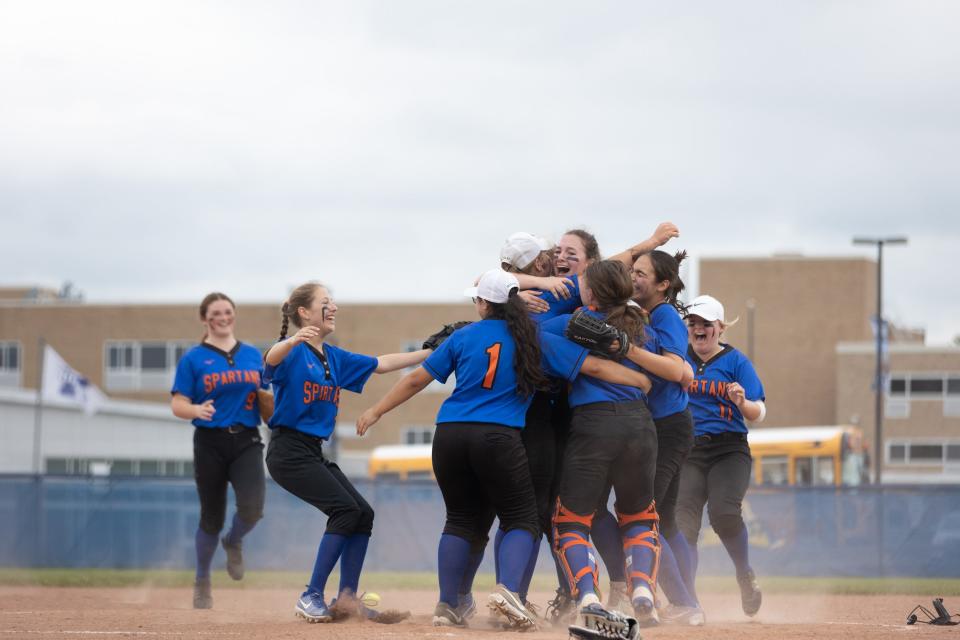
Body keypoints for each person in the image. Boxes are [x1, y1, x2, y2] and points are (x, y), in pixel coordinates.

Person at [355, 269, 653, 630]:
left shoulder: (464, 336)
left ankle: (448, 604)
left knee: (460, 520)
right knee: (523, 518)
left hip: (448, 435)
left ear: (483, 304)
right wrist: (638, 379)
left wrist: (375, 411)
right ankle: (510, 592)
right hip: (498, 437)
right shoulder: (533, 337)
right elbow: (594, 367)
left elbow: (418, 378)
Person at [262, 281, 428, 623]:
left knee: (362, 513)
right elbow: (271, 358)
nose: (333, 306)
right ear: (305, 312)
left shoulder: (333, 357)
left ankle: (348, 600)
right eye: (326, 302)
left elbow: (381, 363)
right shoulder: (291, 350)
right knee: (343, 511)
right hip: (288, 450)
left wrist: (431, 353)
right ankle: (311, 595)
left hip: (311, 451)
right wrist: (293, 340)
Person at [541, 260, 660, 629]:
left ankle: (589, 596)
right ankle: (643, 592)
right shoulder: (644, 329)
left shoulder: (565, 325)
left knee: (571, 520)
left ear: (590, 292)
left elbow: (535, 334)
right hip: (640, 425)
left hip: (593, 424)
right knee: (639, 516)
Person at [170, 292, 266, 610]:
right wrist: (195, 410)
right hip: (210, 442)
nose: (222, 317)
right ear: (204, 319)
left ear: (234, 315)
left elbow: (267, 394)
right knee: (211, 517)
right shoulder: (194, 358)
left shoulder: (253, 354)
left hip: (247, 439)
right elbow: (177, 403)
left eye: (227, 311)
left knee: (252, 508)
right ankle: (202, 581)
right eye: (215, 313)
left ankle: (233, 540)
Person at [675, 294, 767, 617]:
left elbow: (759, 412)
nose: (699, 329)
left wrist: (742, 402)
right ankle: (688, 598)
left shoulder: (735, 362)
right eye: (693, 323)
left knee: (724, 513)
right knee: (683, 523)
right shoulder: (677, 356)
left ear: (720, 328)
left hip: (729, 448)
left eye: (706, 324)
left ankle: (744, 573)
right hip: (688, 449)